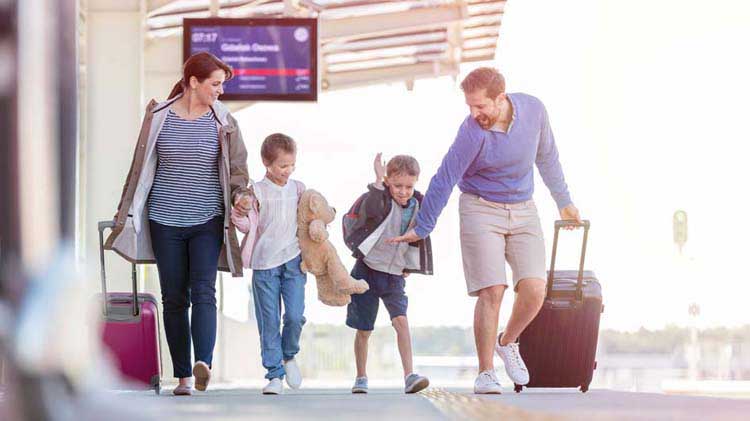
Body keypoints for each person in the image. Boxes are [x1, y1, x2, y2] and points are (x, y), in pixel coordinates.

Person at [389, 67, 582, 394]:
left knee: (535, 288)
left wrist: (564, 202)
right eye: (470, 107)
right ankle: (486, 372)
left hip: (523, 207)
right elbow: (445, 177)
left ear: (501, 98)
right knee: (493, 290)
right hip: (480, 207)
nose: (474, 114)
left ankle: (507, 342)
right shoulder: (471, 132)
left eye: (480, 106)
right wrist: (423, 226)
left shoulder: (534, 110)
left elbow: (547, 157)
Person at [106, 51, 252, 396]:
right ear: (193, 83)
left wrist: (241, 197)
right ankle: (183, 377)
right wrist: (124, 212)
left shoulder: (224, 121)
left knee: (204, 291)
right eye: (215, 84)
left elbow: (238, 169)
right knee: (174, 298)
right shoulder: (159, 116)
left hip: (207, 219)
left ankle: (203, 364)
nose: (220, 91)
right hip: (164, 220)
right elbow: (139, 168)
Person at [345, 153, 433, 394]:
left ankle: (409, 375)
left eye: (408, 186)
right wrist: (377, 180)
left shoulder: (417, 205)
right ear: (387, 181)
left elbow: (420, 237)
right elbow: (369, 210)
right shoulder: (380, 199)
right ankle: (361, 376)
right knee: (364, 329)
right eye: (397, 185)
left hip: (394, 275)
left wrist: (409, 266)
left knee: (401, 322)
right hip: (367, 270)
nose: (403, 191)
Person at [243, 133, 307, 395]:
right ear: (267, 164)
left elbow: (314, 213)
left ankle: (289, 355)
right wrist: (240, 208)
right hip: (264, 264)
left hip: (293, 261)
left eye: (292, 164)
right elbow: (245, 222)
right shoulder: (256, 191)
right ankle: (274, 375)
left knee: (294, 316)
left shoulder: (299, 188)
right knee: (268, 321)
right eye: (283, 166)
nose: (288, 170)